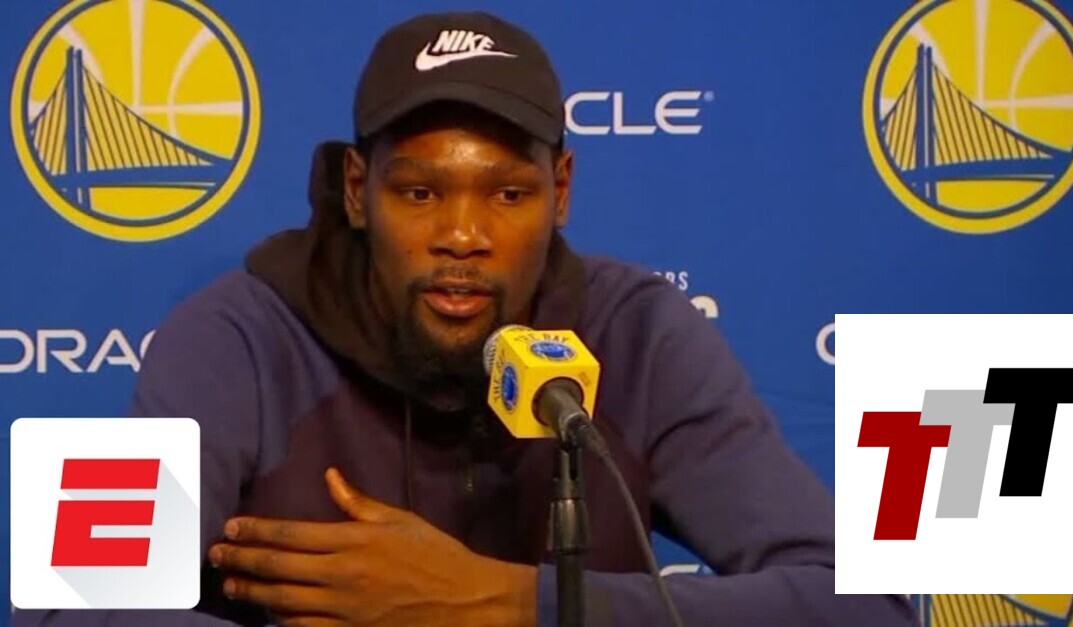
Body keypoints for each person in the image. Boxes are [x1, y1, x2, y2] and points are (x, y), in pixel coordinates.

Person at [14, 10, 918, 627]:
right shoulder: (231, 329)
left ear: (560, 190)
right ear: (357, 190)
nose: (461, 234)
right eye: (418, 192)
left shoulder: (640, 331)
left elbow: (866, 604)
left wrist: (507, 602)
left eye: (508, 194)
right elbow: (63, 602)